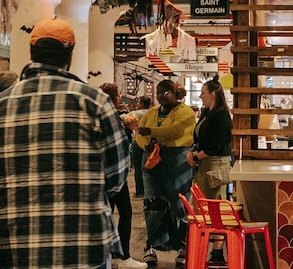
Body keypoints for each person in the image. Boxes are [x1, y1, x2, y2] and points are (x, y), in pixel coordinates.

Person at [0, 18, 132, 269]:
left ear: (32, 53)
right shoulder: (94, 102)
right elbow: (116, 177)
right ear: (69, 55)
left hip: (19, 245)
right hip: (84, 244)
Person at [138, 79, 197, 264]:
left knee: (180, 203)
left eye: (165, 93)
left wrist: (151, 131)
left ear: (175, 93)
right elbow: (140, 133)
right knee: (153, 203)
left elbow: (176, 130)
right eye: (158, 93)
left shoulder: (186, 112)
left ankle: (182, 245)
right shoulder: (152, 112)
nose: (161, 97)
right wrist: (146, 144)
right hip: (152, 159)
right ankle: (153, 246)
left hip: (177, 159)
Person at [98, 83, 148, 269]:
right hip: (115, 173)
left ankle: (109, 258)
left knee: (109, 214)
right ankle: (123, 257)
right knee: (125, 212)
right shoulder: (110, 115)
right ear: (114, 97)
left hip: (104, 174)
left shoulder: (102, 113)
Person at [191, 79, 234, 200]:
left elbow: (216, 146)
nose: (200, 96)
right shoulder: (206, 113)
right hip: (204, 164)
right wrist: (192, 152)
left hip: (216, 165)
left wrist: (195, 157)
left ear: (212, 95)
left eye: (203, 93)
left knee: (214, 202)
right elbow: (199, 138)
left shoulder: (221, 115)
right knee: (202, 202)